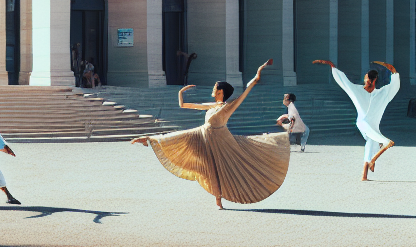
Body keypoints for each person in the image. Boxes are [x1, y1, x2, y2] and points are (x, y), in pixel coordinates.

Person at [131, 60, 289, 210]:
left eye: (215, 87)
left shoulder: (228, 106)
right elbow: (184, 105)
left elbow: (247, 89)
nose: (213, 89)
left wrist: (258, 73)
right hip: (203, 135)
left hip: (221, 140)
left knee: (221, 168)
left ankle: (219, 200)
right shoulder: (212, 105)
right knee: (180, 137)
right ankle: (150, 140)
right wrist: (181, 91)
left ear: (221, 92)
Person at [315, 59, 399, 180]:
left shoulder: (382, 93)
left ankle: (364, 174)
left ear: (374, 80)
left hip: (373, 125)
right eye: (365, 79)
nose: (366, 81)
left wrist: (390, 70)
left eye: (368, 79)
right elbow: (344, 82)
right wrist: (332, 66)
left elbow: (394, 81)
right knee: (385, 141)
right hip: (363, 123)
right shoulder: (357, 90)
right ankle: (376, 155)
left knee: (372, 142)